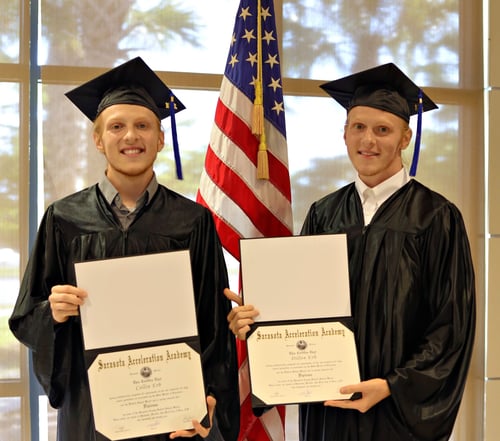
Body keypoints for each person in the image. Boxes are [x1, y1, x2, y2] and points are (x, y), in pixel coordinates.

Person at [225, 63, 476, 441]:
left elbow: (451, 327)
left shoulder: (436, 217)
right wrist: (257, 320)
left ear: (405, 137)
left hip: (395, 413)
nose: (368, 141)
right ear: (344, 133)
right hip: (329, 408)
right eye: (358, 127)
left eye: (383, 130)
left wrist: (392, 385)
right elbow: (301, 308)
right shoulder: (324, 213)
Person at [9, 57, 239, 441]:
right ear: (98, 139)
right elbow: (26, 316)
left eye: (143, 125)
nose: (130, 136)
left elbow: (213, 321)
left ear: (160, 138)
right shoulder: (64, 219)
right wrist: (55, 312)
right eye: (116, 126)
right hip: (91, 411)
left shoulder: (192, 221)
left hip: (172, 412)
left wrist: (211, 394)